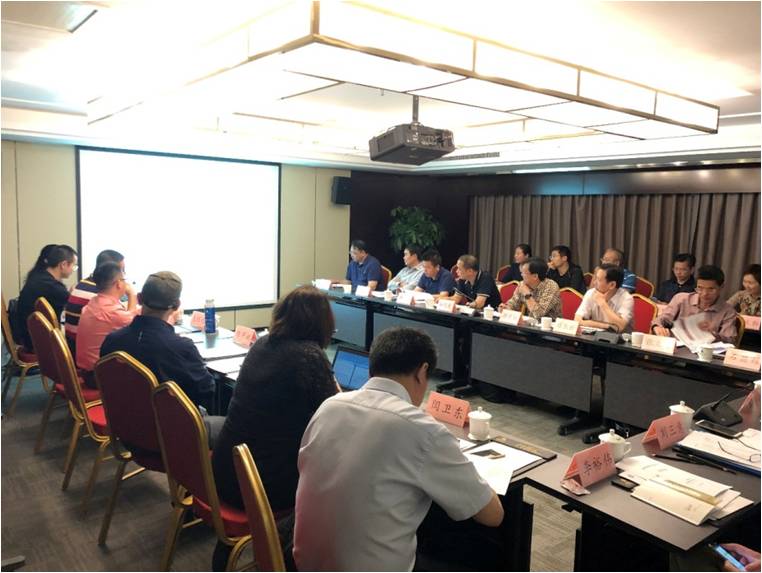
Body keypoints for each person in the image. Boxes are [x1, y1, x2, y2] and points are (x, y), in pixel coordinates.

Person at [293, 327, 504, 571]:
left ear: (372, 367)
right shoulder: (423, 429)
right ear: (422, 372)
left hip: (304, 563)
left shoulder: (329, 406)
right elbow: (492, 515)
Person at [211, 286, 338, 571]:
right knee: (337, 483)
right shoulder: (308, 355)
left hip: (226, 468)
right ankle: (287, 555)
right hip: (262, 484)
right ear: (322, 323)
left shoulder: (262, 344)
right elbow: (335, 413)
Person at [100, 271, 224, 440]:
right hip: (171, 436)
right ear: (176, 305)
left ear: (140, 298)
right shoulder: (181, 348)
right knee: (236, 427)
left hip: (127, 432)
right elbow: (207, 390)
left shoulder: (111, 341)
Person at [75, 262, 138, 388]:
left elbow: (125, 317)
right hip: (99, 376)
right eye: (124, 280)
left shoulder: (94, 301)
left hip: (87, 371)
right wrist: (132, 294)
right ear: (119, 283)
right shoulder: (111, 312)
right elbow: (135, 323)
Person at [651, 265, 737, 343]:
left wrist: (712, 335)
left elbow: (729, 339)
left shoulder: (728, 311)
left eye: (711, 289)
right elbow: (663, 318)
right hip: (675, 346)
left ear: (721, 287)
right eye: (700, 288)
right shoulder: (681, 299)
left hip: (702, 351)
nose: (704, 294)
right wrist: (657, 326)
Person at [16, 244, 78, 350]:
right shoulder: (52, 286)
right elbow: (72, 306)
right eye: (74, 265)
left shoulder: (39, 277)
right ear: (63, 265)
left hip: (29, 336)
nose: (73, 269)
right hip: (39, 342)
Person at [64, 249, 125, 355]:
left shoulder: (82, 283)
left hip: (72, 345)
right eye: (122, 270)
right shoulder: (100, 294)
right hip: (85, 352)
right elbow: (127, 324)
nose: (123, 275)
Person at [575, 264, 633, 333]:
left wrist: (603, 303)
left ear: (612, 285)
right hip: (594, 337)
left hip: (618, 339)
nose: (594, 282)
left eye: (598, 280)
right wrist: (607, 326)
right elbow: (577, 320)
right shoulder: (591, 293)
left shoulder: (626, 299)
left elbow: (620, 327)